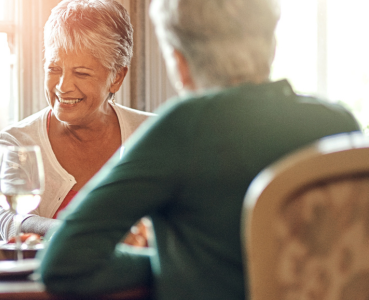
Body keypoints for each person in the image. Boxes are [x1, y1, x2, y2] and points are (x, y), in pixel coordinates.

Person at [38, 0, 362, 298]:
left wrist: (169, 265)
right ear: (272, 45)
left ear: (180, 62)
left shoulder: (182, 127)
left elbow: (64, 263)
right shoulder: (338, 122)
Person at [0, 0, 153, 245]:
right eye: (54, 69)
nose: (63, 86)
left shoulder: (154, 133)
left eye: (82, 73)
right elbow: (11, 222)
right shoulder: (15, 143)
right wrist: (84, 231)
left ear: (116, 78)